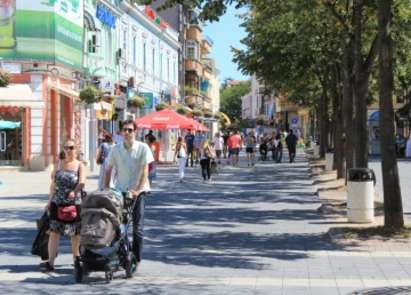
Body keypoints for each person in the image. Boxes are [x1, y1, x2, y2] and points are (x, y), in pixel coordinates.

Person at [104, 119, 154, 270]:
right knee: (119, 226)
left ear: (135, 132)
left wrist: (138, 190)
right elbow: (109, 169)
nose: (127, 133)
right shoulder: (116, 149)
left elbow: (145, 170)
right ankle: (121, 256)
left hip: (139, 192)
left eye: (130, 130)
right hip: (120, 191)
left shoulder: (143, 148)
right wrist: (106, 187)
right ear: (120, 132)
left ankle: (136, 258)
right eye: (124, 130)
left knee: (137, 229)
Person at [41, 139, 86, 272]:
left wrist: (75, 191)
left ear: (76, 149)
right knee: (54, 232)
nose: (68, 150)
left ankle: (76, 259)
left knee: (75, 233)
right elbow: (53, 184)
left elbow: (82, 182)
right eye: (66, 147)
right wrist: (49, 202)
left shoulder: (80, 165)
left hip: (74, 203)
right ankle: (50, 262)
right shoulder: (58, 164)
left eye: (71, 148)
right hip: (57, 202)